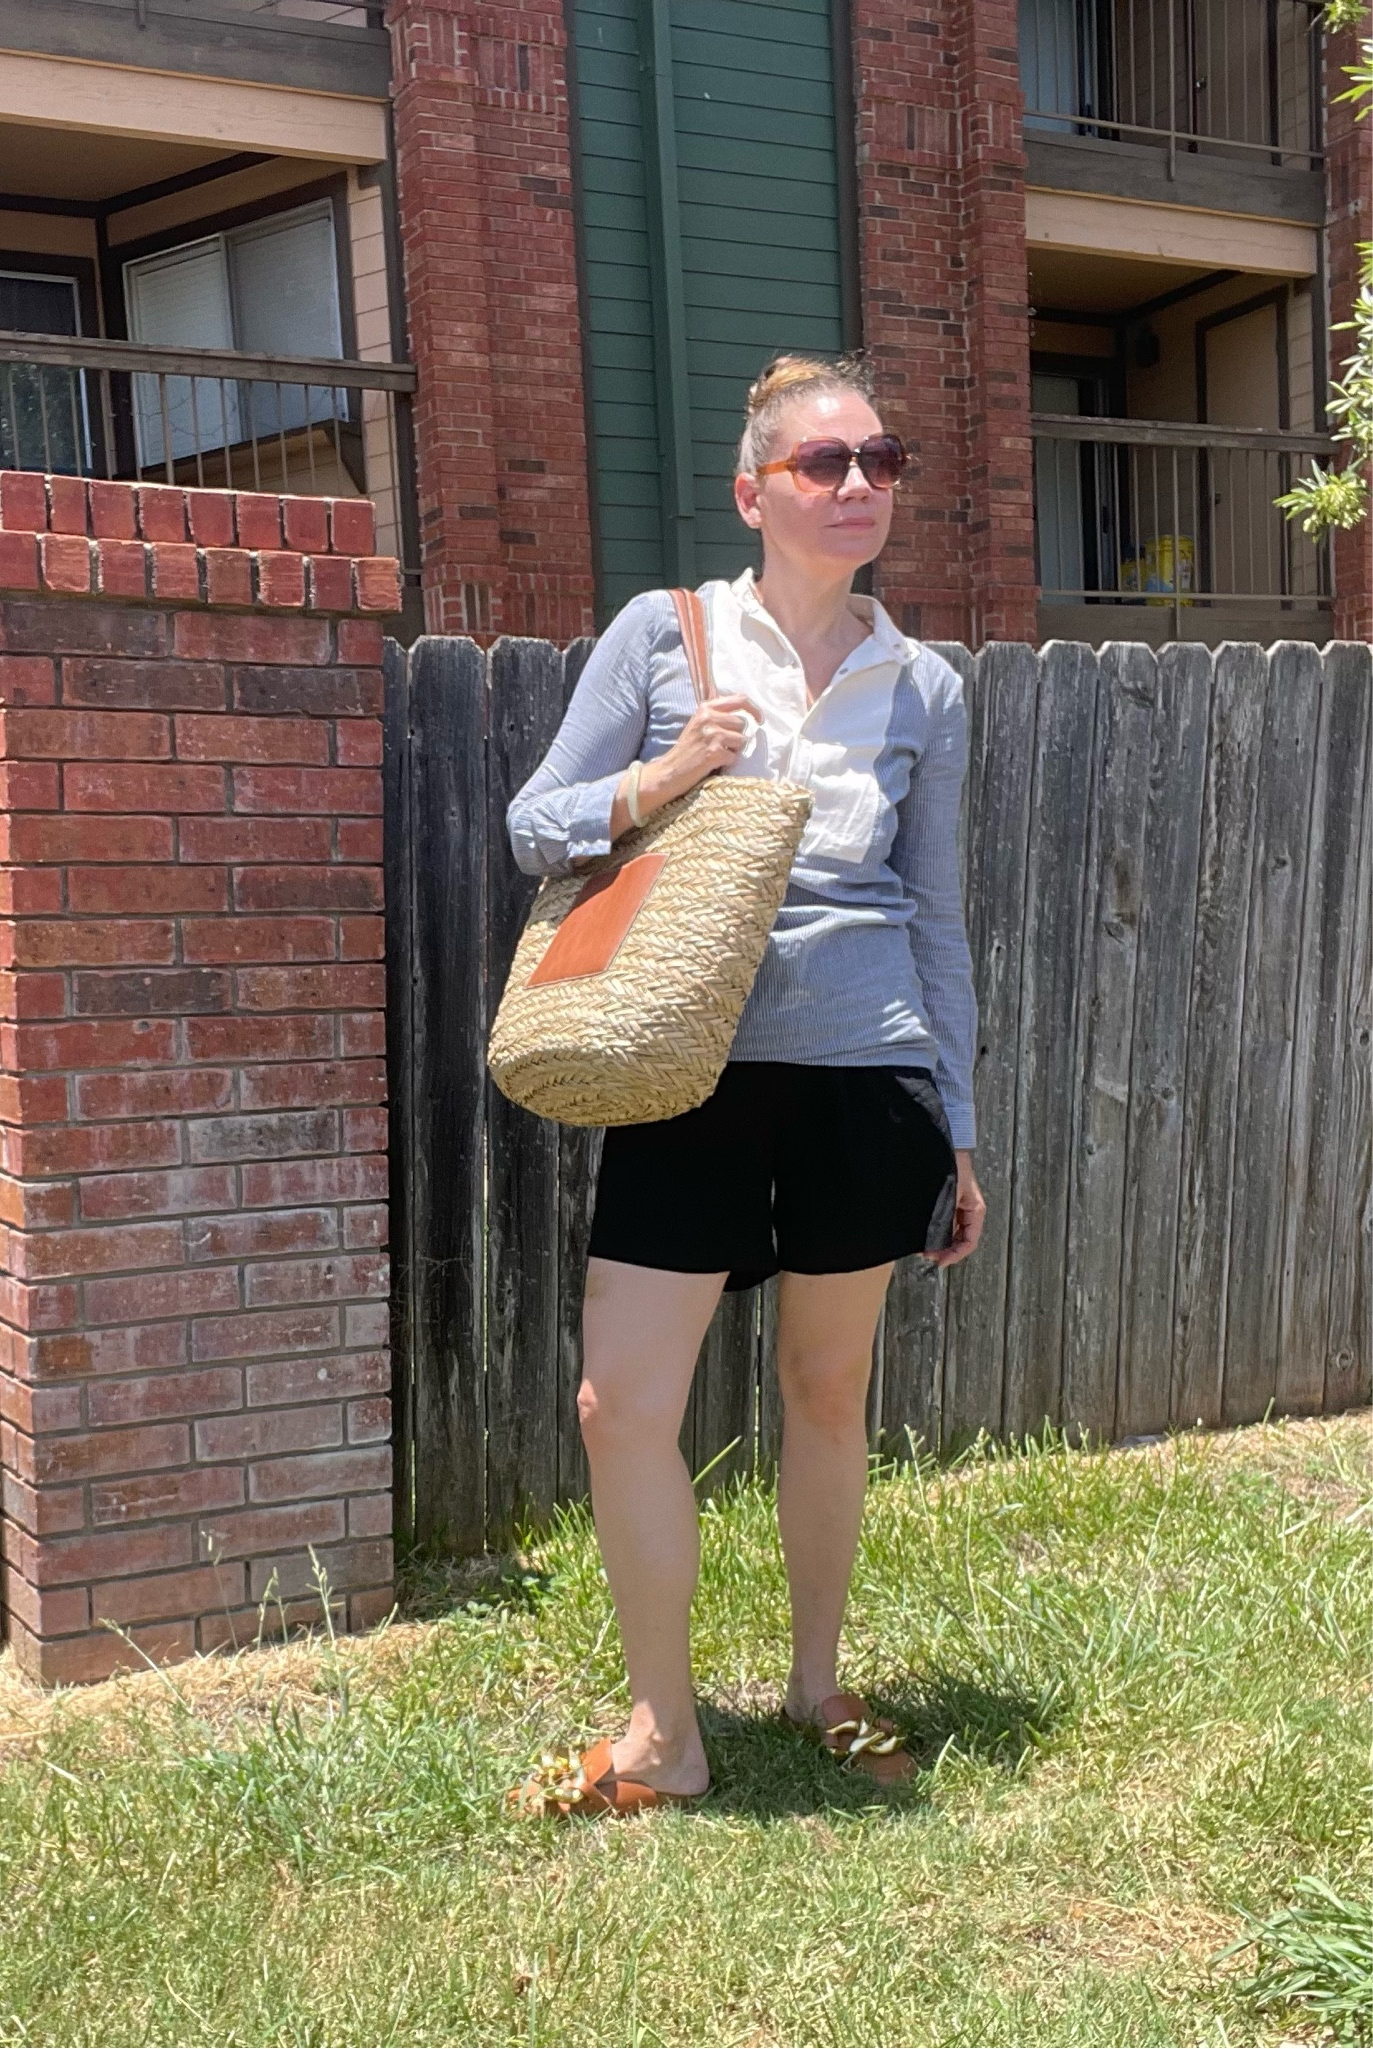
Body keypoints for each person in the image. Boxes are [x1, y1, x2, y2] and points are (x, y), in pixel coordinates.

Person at [505, 354, 986, 1816]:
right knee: (620, 1400)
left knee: (826, 1393)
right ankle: (666, 1730)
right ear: (752, 490)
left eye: (880, 462)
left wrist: (957, 1129)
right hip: (682, 1064)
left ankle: (817, 1681)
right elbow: (536, 822)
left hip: (868, 1075)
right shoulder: (666, 637)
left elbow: (939, 915)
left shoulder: (927, 682)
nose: (858, 486)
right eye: (824, 464)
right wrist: (663, 779)